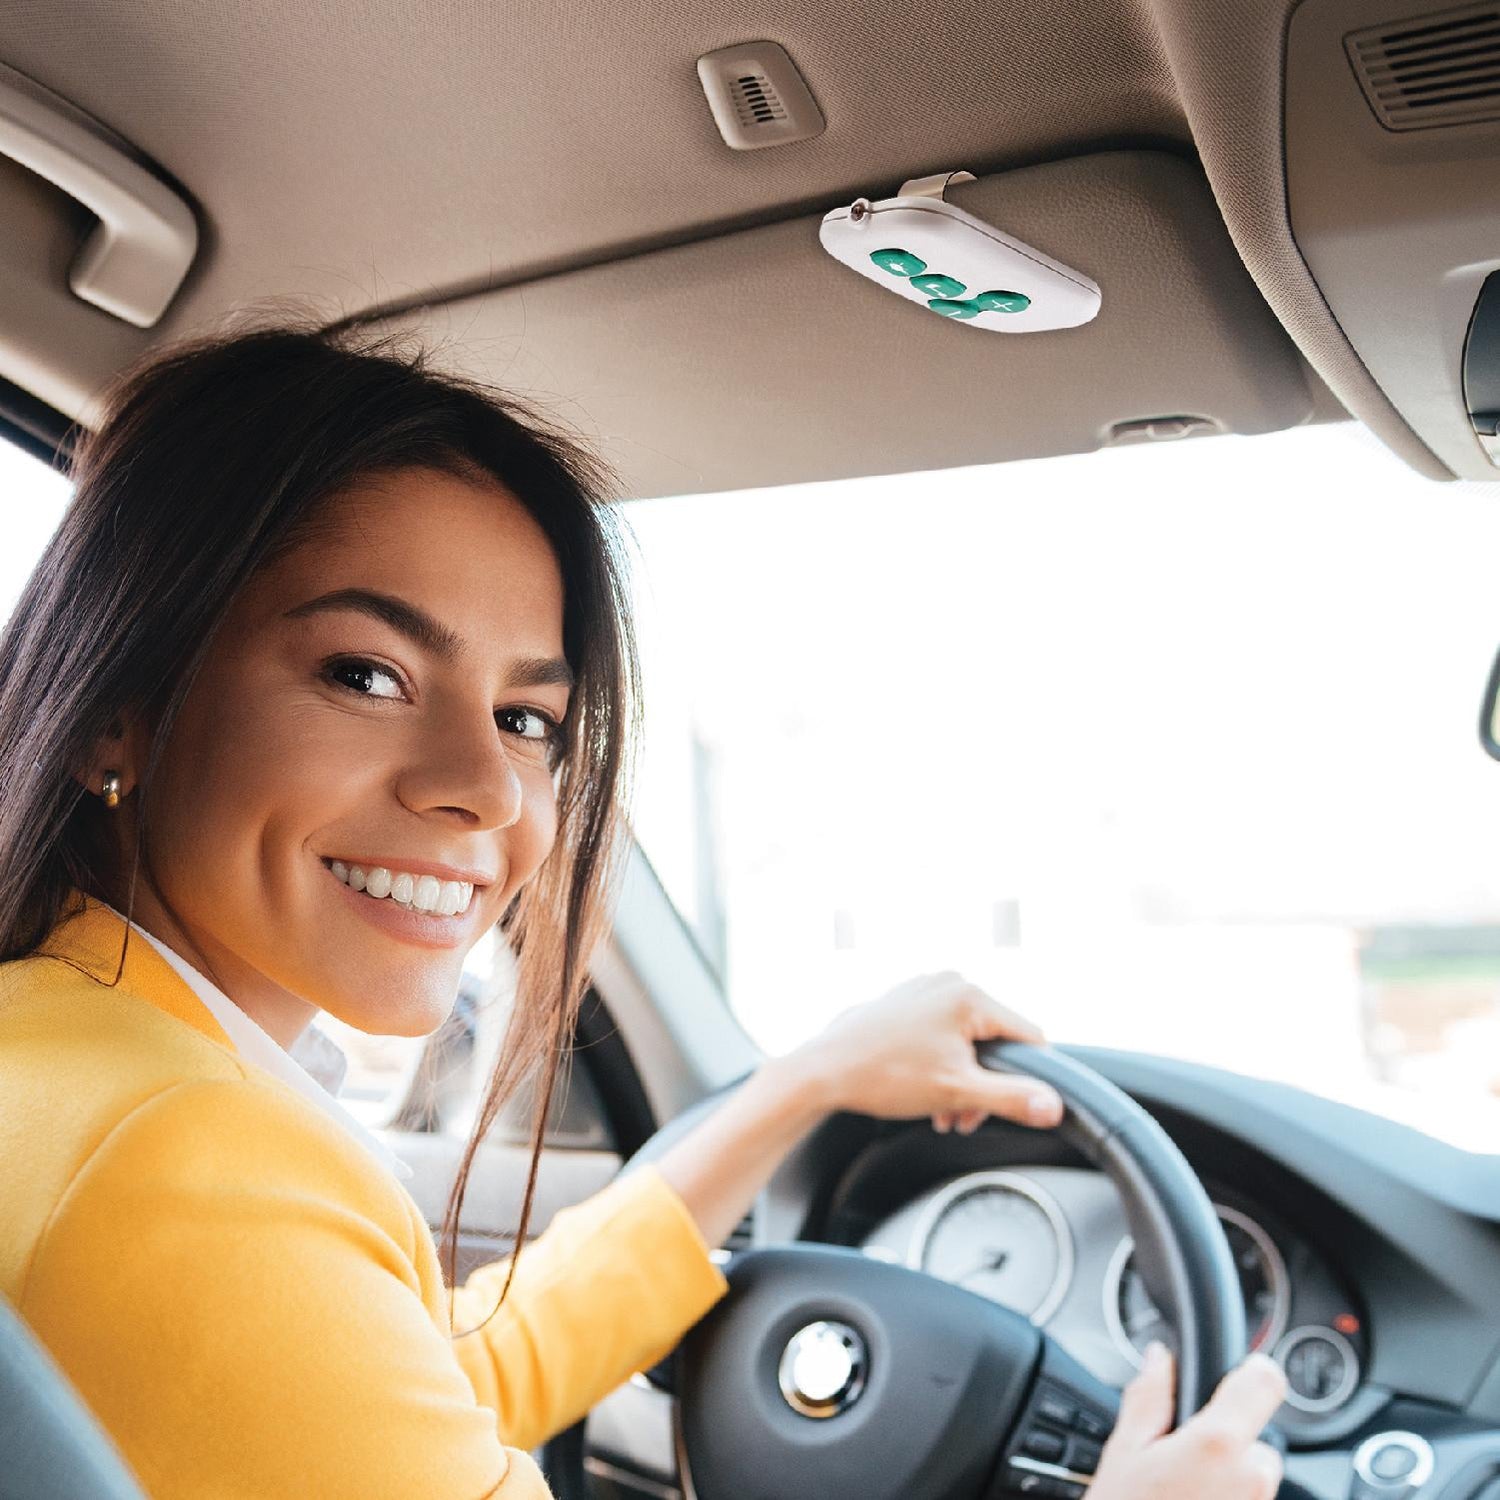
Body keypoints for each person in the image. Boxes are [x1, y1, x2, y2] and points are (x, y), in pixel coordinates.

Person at [0, 322, 1286, 1499]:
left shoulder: (67, 1055)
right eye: (368, 673)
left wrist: (801, 1086)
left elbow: (428, 1389)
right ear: (123, 700)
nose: (486, 788)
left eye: (528, 719)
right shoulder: (184, 1153)